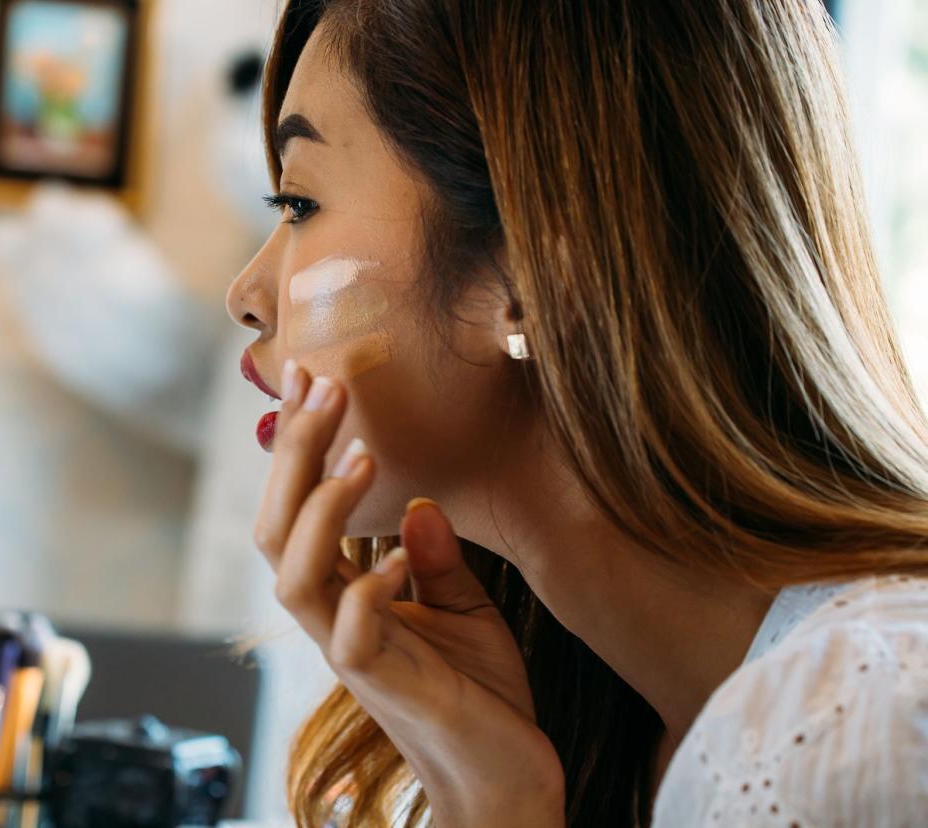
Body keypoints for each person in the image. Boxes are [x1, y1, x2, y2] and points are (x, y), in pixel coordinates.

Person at [223, 1, 928, 826]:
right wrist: (493, 799)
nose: (246, 297)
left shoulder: (865, 732)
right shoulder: (614, 728)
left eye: (299, 204)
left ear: (527, 275)